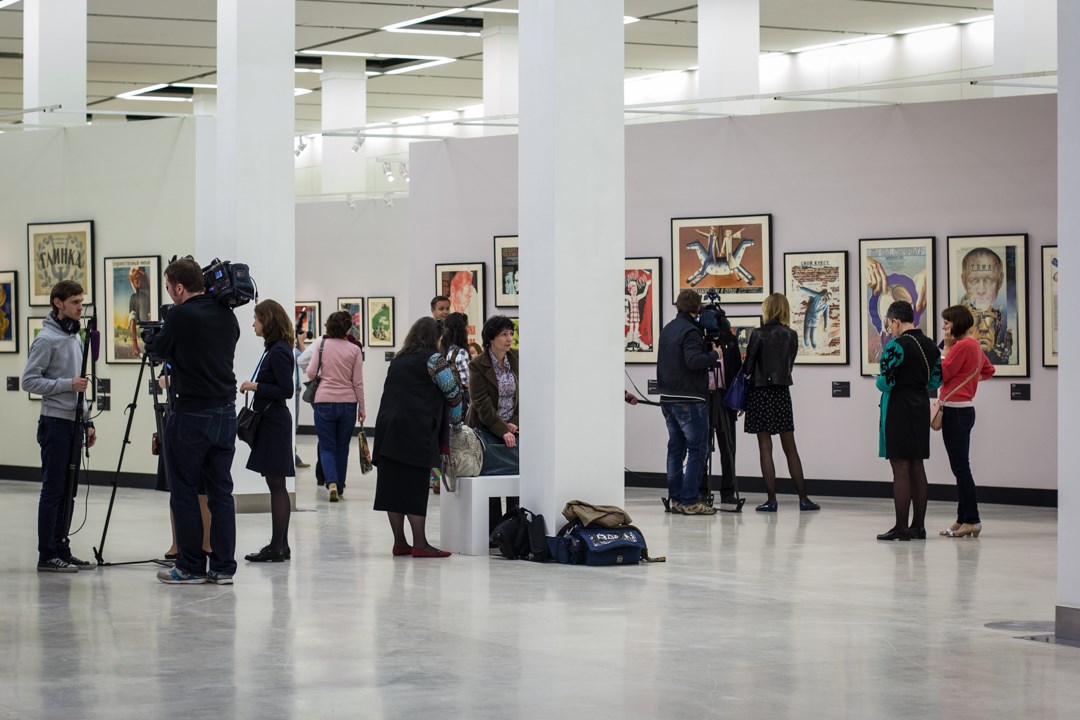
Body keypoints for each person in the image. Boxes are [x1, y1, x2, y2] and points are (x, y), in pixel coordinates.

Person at [148, 257, 240, 585]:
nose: (170, 294)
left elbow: (159, 350)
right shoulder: (227, 316)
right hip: (225, 413)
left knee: (184, 490)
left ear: (179, 287)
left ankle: (190, 566)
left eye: (168, 287)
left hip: (191, 414)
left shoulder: (179, 315)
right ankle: (223, 567)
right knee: (221, 493)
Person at [22, 280, 98, 572]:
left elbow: (81, 385)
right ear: (58, 303)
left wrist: (87, 421)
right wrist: (67, 384)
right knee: (53, 490)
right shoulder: (46, 339)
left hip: (74, 422)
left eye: (81, 302)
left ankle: (62, 548)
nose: (80, 307)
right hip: (54, 423)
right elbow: (30, 381)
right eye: (75, 302)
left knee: (69, 491)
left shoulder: (75, 337)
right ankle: (47, 554)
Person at [372, 317, 462, 558]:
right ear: (435, 338)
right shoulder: (434, 360)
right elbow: (453, 394)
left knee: (391, 487)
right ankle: (420, 544)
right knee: (415, 486)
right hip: (416, 430)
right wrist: (457, 424)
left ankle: (400, 542)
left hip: (388, 429)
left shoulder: (398, 359)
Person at [742, 293, 819, 512]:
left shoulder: (758, 334)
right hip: (782, 393)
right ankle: (804, 499)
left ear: (767, 309)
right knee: (790, 447)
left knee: (765, 446)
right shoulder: (791, 335)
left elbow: (748, 368)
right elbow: (789, 365)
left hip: (760, 393)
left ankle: (772, 500)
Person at [874, 300, 942, 541]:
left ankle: (901, 527)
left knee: (900, 467)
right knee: (917, 466)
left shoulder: (896, 346)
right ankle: (918, 527)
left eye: (889, 324)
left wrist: (878, 380)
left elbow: (886, 381)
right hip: (921, 406)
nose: (890, 329)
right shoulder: (931, 345)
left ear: (895, 321)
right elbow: (936, 380)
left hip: (899, 408)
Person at [239, 300, 297, 562]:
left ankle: (277, 546)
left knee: (276, 484)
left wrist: (255, 386)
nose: (253, 324)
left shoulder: (279, 351)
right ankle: (280, 545)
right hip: (271, 421)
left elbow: (286, 390)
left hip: (275, 423)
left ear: (268, 320)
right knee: (275, 483)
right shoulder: (275, 349)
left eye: (256, 319)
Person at [656, 289, 719, 516]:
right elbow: (693, 361)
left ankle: (676, 500)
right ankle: (690, 501)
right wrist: (714, 355)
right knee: (697, 449)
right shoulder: (691, 331)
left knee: (676, 449)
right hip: (689, 399)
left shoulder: (668, 328)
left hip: (668, 398)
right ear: (697, 307)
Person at [938, 304, 995, 538]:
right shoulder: (974, 345)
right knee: (960, 467)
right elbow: (989, 371)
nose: (944, 327)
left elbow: (943, 372)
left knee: (961, 468)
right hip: (964, 410)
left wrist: (946, 349)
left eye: (946, 323)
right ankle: (962, 518)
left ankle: (972, 519)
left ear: (957, 323)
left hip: (956, 411)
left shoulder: (961, 346)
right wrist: (969, 381)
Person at [467, 315, 520, 529]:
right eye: (503, 334)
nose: (509, 339)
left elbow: (527, 393)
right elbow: (481, 402)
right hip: (485, 428)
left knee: (515, 479)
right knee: (491, 480)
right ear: (491, 338)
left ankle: (513, 529)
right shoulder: (477, 365)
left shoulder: (517, 358)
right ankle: (493, 531)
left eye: (511, 334)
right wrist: (501, 429)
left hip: (513, 429)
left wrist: (515, 422)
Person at [307, 310, 365, 502]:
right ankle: (339, 486)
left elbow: (311, 373)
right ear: (348, 328)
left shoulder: (321, 345)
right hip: (348, 403)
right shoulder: (355, 349)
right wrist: (362, 408)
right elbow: (358, 382)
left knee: (327, 446)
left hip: (324, 401)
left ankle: (331, 481)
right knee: (342, 447)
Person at [708, 306, 743, 506]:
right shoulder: (700, 338)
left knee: (728, 448)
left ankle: (727, 491)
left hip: (725, 396)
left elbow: (737, 369)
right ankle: (703, 490)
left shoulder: (729, 339)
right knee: (704, 448)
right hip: (706, 396)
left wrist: (739, 399)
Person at [959, 247, 1013, 364]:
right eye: (973, 280)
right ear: (963, 280)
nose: (981, 290)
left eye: (989, 279)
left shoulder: (1008, 319)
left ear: (1000, 280)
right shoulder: (958, 320)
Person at [127, 265, 152, 355]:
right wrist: (135, 346)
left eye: (138, 277)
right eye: (134, 279)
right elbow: (132, 320)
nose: (136, 281)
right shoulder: (134, 297)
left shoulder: (153, 291)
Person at [799, 285, 830, 349]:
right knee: (806, 335)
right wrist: (801, 288)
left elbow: (826, 315)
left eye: (829, 298)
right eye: (827, 296)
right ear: (825, 294)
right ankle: (807, 345)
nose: (827, 298)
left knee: (813, 335)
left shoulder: (826, 304)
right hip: (808, 317)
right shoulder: (817, 296)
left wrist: (826, 325)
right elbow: (809, 291)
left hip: (816, 320)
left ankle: (813, 344)